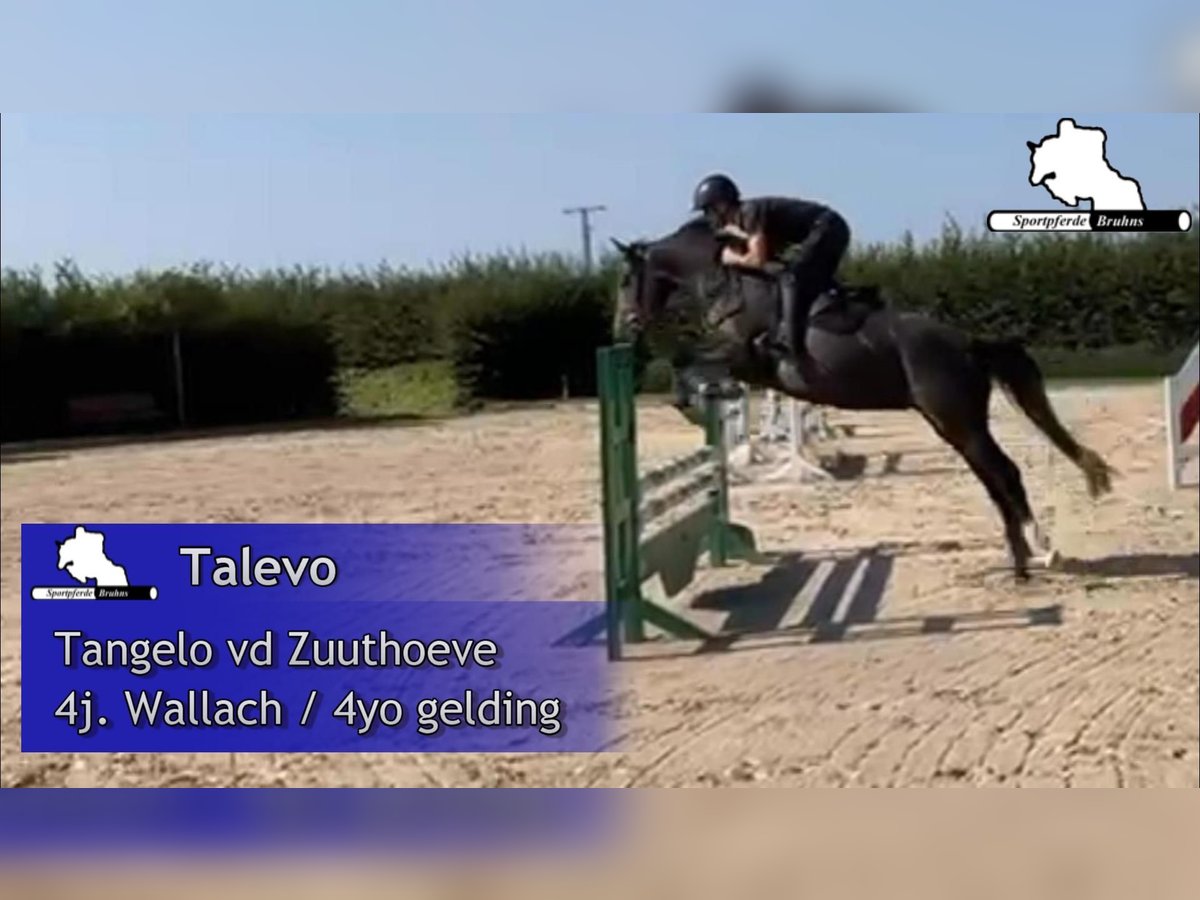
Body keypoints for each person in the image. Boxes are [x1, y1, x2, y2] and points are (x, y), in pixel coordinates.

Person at [691, 173, 850, 364]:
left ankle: (791, 346)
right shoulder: (743, 218)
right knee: (792, 274)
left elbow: (757, 260)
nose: (709, 217)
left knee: (791, 278)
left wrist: (731, 259)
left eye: (709, 210)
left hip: (828, 227)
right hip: (825, 229)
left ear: (722, 205)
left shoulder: (750, 211)